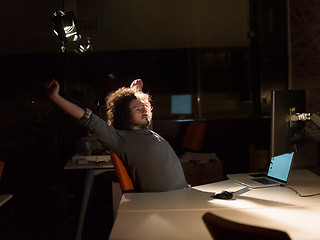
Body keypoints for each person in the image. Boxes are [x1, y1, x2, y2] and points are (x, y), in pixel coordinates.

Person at [46, 79, 189, 192]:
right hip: (166, 201)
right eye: (137, 109)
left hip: (184, 192)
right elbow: (86, 117)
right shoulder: (119, 138)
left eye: (143, 107)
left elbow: (138, 112)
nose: (143, 111)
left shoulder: (146, 131)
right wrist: (55, 97)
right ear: (125, 115)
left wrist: (135, 91)